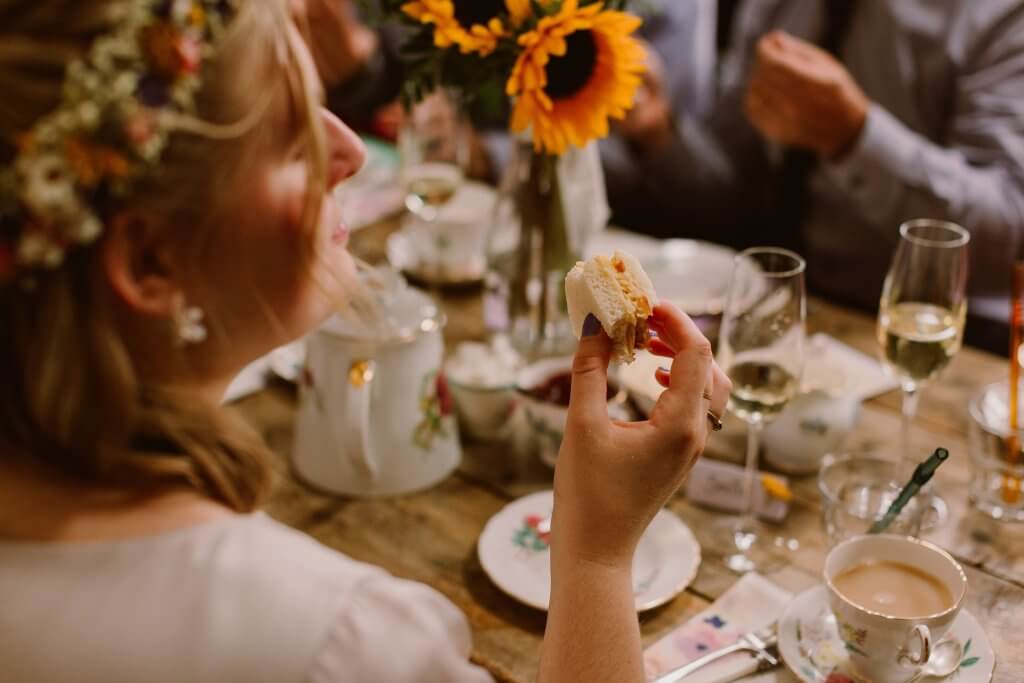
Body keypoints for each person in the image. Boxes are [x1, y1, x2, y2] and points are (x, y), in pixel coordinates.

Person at [0, 1, 730, 682]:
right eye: (290, 136)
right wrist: (598, 556)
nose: (348, 149)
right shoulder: (344, 645)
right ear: (150, 262)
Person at [628, 0, 1024, 351]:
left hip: (933, 330)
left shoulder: (995, 14)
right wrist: (660, 132)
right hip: (782, 312)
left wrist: (854, 137)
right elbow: (735, 190)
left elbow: (1003, 232)